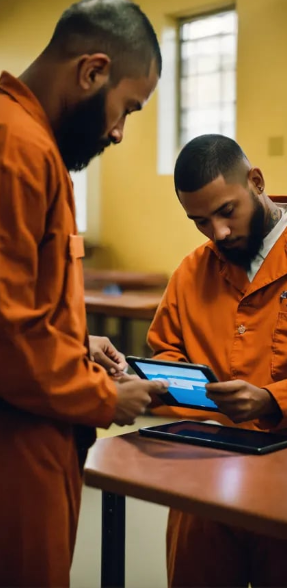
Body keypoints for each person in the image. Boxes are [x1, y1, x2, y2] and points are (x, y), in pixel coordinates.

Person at [0, 0, 170, 587]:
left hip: (46, 428)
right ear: (92, 71)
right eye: (127, 109)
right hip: (19, 439)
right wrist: (106, 398)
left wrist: (77, 343)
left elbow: (28, 302)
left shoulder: (37, 146)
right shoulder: (16, 146)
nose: (118, 132)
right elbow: (5, 333)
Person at [146, 133, 287, 587]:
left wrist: (272, 400)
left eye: (227, 211)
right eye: (201, 221)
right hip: (204, 481)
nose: (219, 233)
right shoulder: (191, 273)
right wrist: (156, 383)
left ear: (256, 182)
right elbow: (166, 350)